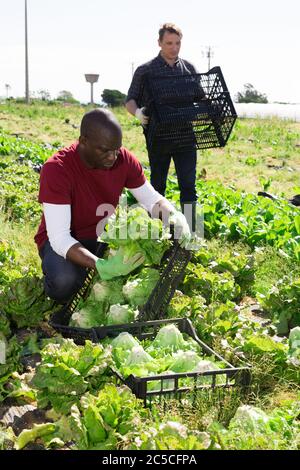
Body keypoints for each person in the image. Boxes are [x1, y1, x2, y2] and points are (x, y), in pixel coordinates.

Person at [34, 108, 191, 304]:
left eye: (117, 149)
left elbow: (151, 200)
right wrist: (101, 265)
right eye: (105, 150)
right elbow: (59, 237)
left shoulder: (123, 159)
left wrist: (175, 216)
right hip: (64, 241)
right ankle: (60, 275)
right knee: (64, 282)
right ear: (83, 141)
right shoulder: (57, 169)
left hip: (103, 235)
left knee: (163, 238)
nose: (113, 156)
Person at [126, 23, 199, 231]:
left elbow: (200, 97)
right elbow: (130, 100)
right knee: (157, 185)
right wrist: (138, 113)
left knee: (188, 186)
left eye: (177, 43)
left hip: (185, 136)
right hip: (158, 138)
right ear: (159, 43)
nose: (173, 48)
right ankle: (158, 230)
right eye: (169, 43)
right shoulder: (146, 71)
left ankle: (190, 232)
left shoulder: (189, 69)